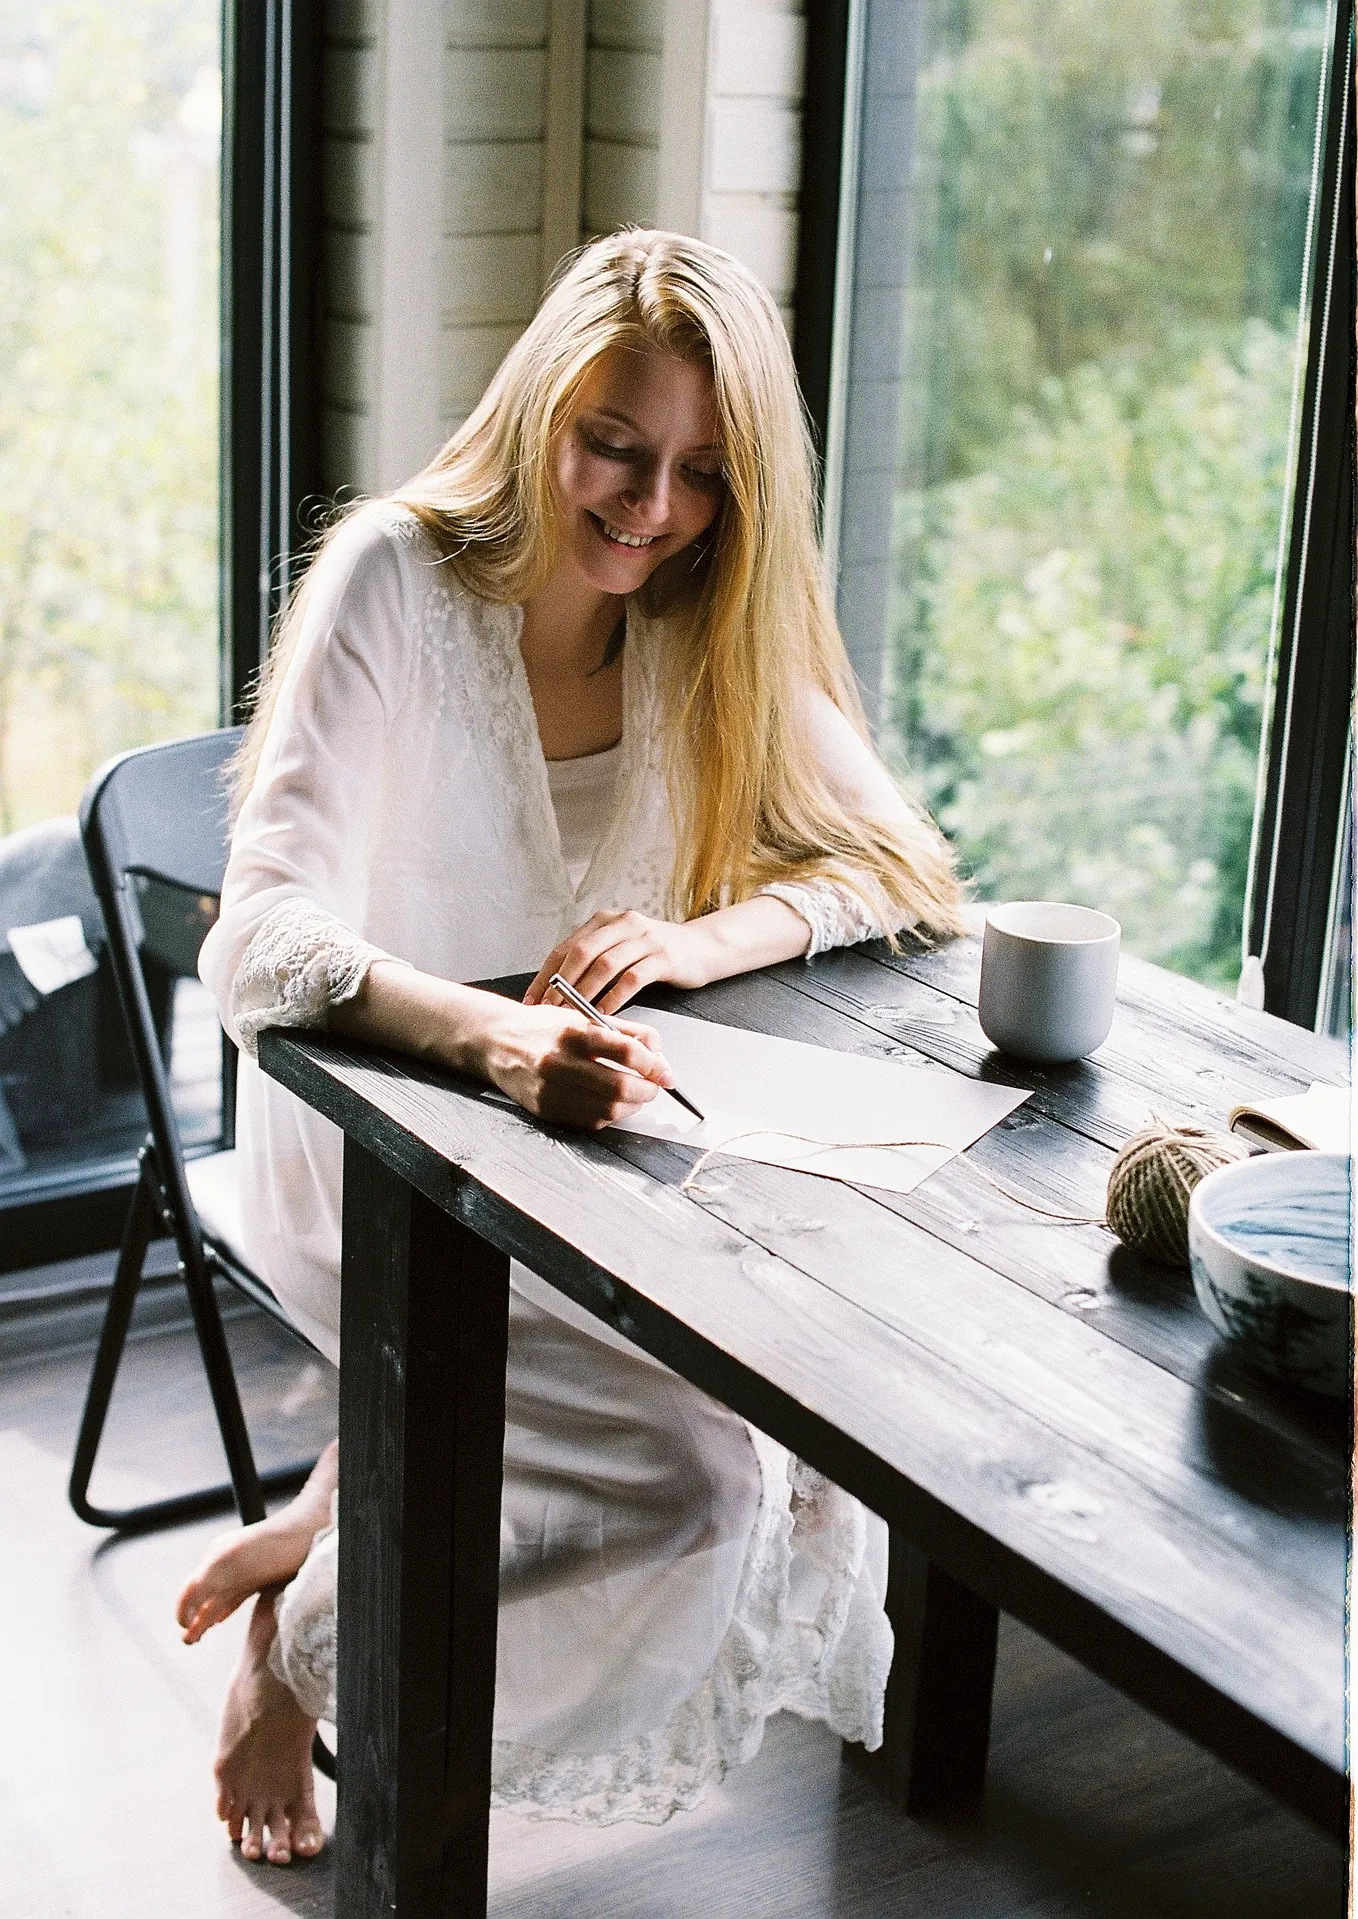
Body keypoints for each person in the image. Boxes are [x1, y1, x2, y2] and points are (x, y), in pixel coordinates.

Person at [183, 227, 965, 1867]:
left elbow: (902, 867)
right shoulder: (392, 576)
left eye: (697, 470)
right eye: (614, 444)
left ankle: (318, 1530)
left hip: (597, 1155)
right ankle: (308, 1649)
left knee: (828, 1384)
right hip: (381, 1145)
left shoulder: (701, 611)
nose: (646, 506)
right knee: (700, 1488)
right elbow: (256, 933)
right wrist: (495, 1045)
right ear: (542, 400)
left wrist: (696, 939)